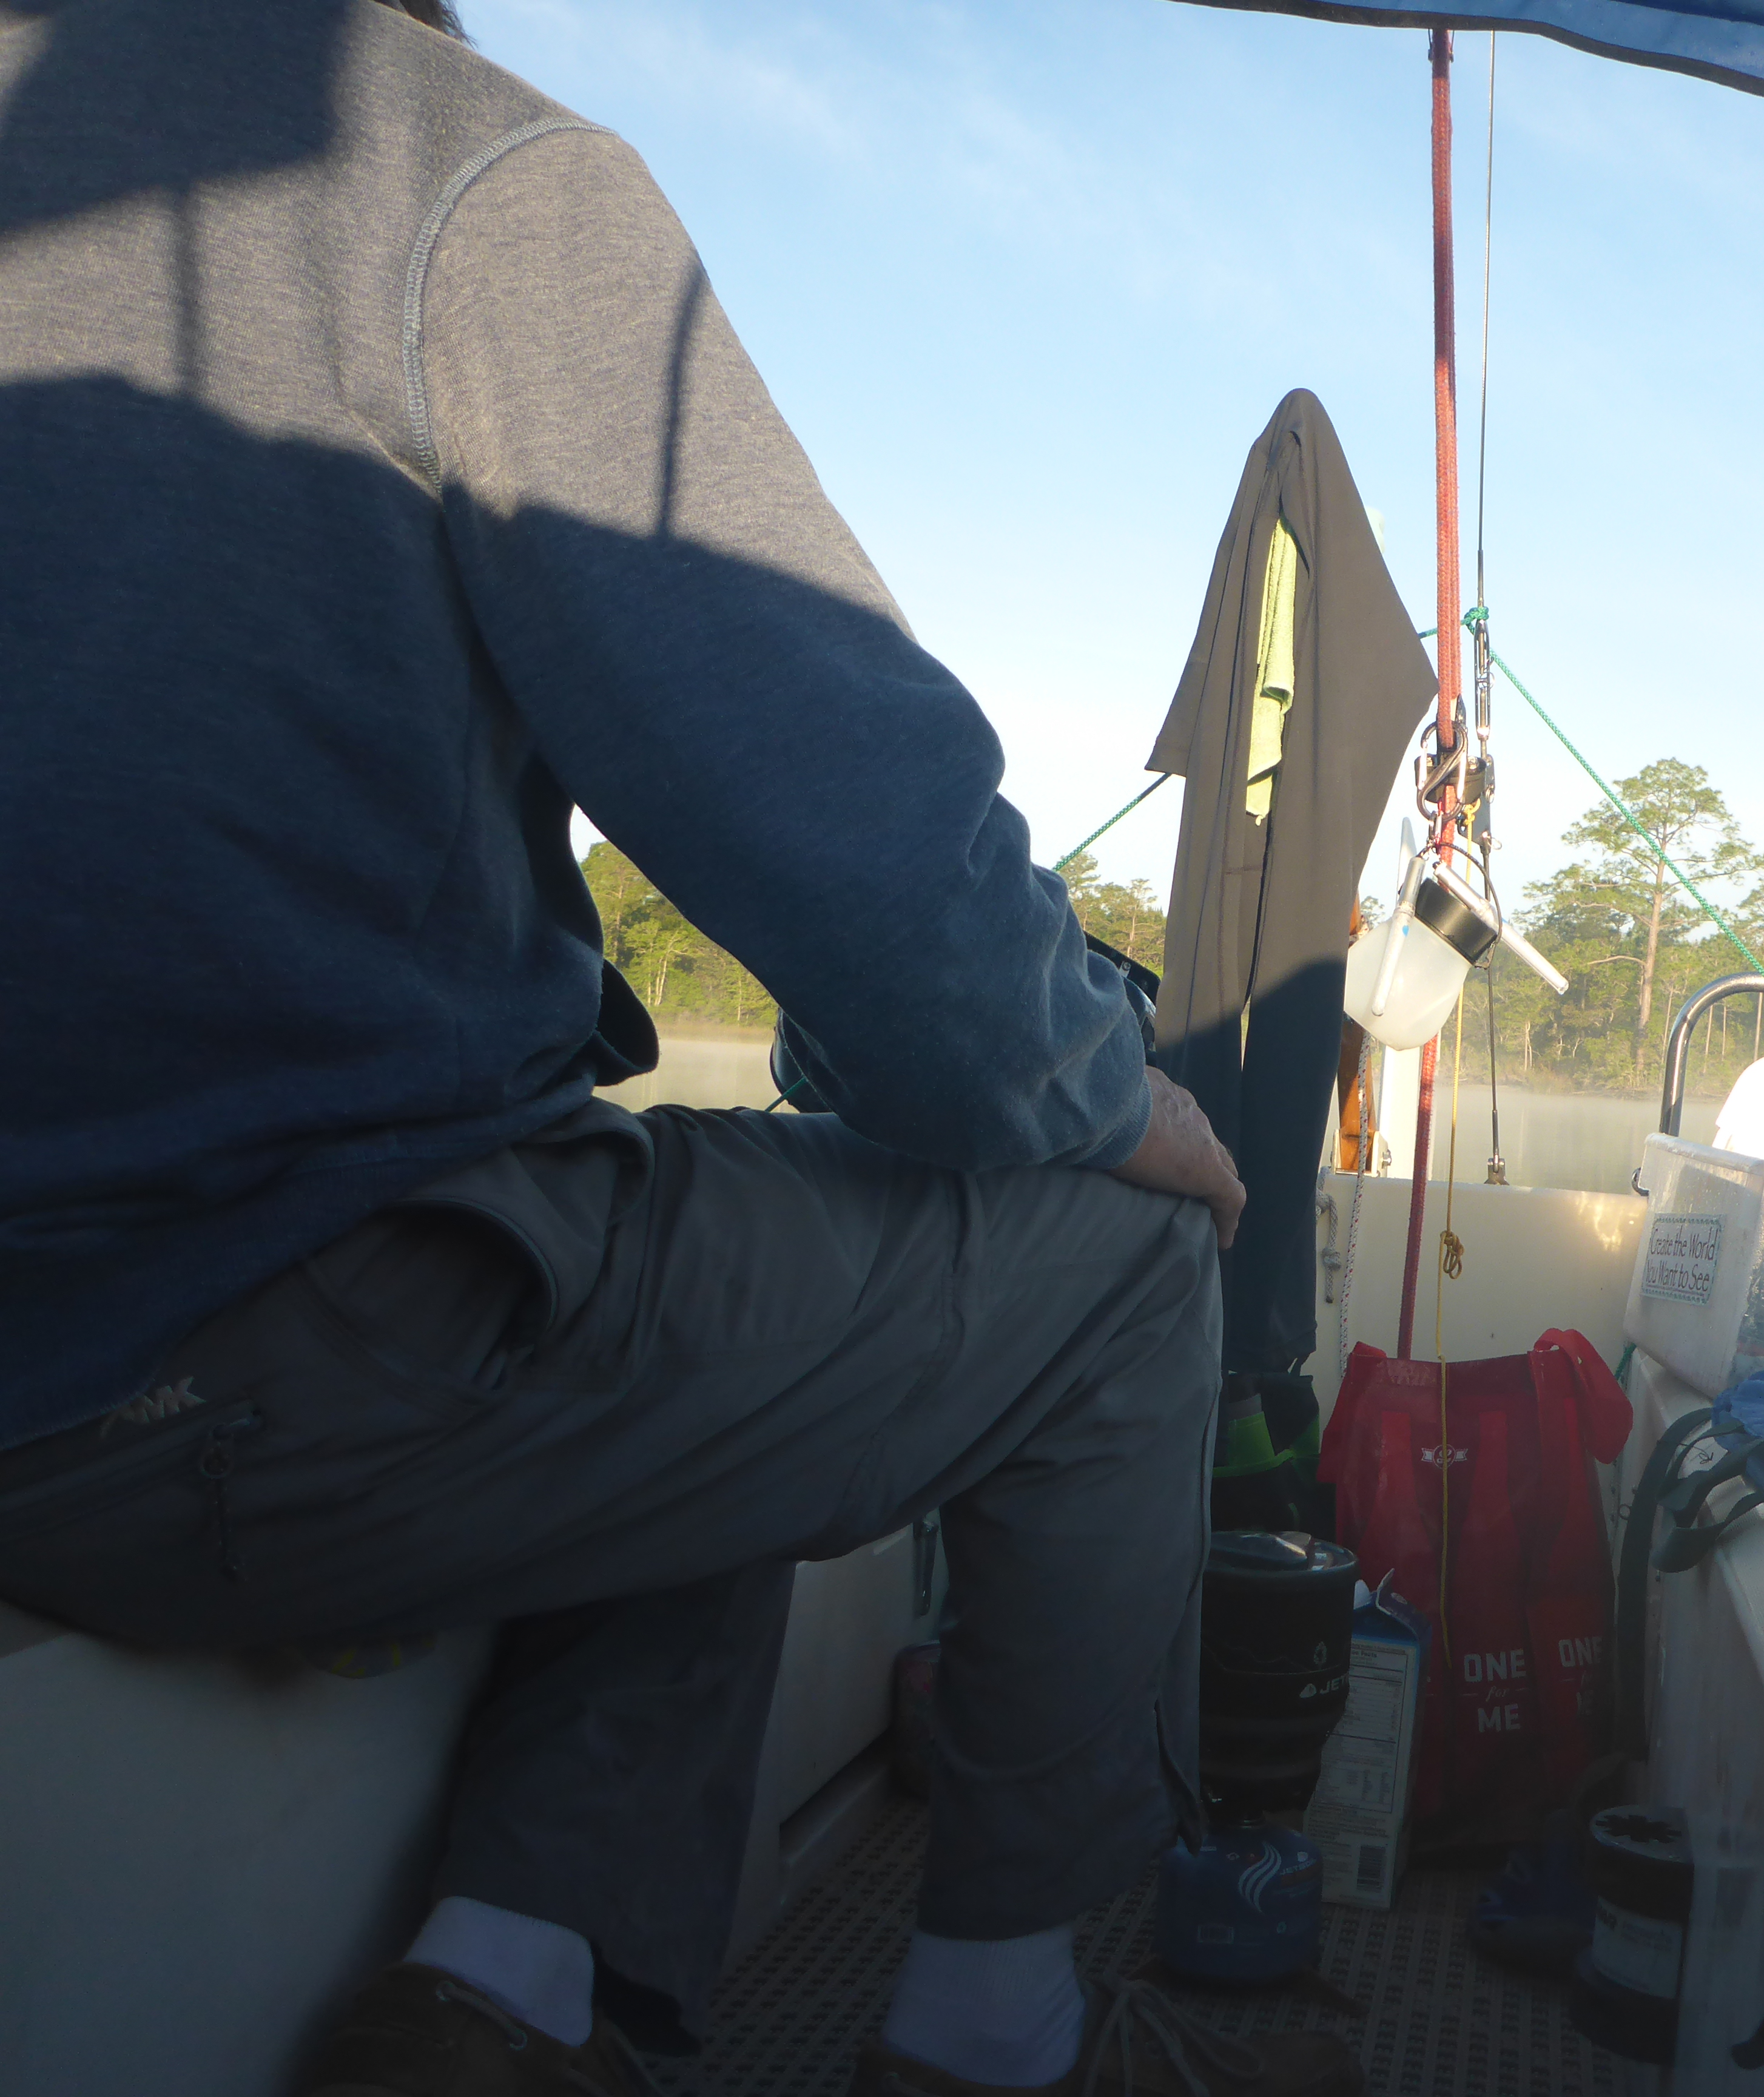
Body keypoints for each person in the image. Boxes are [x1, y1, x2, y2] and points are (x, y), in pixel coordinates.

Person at [0, 4, 1355, 2093]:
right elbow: (856, 848)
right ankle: (997, 2028)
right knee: (1122, 1267)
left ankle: (501, 1992)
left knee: (695, 1251)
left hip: (92, 1351)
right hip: (245, 1367)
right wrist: (1110, 1088)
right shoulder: (448, 165)